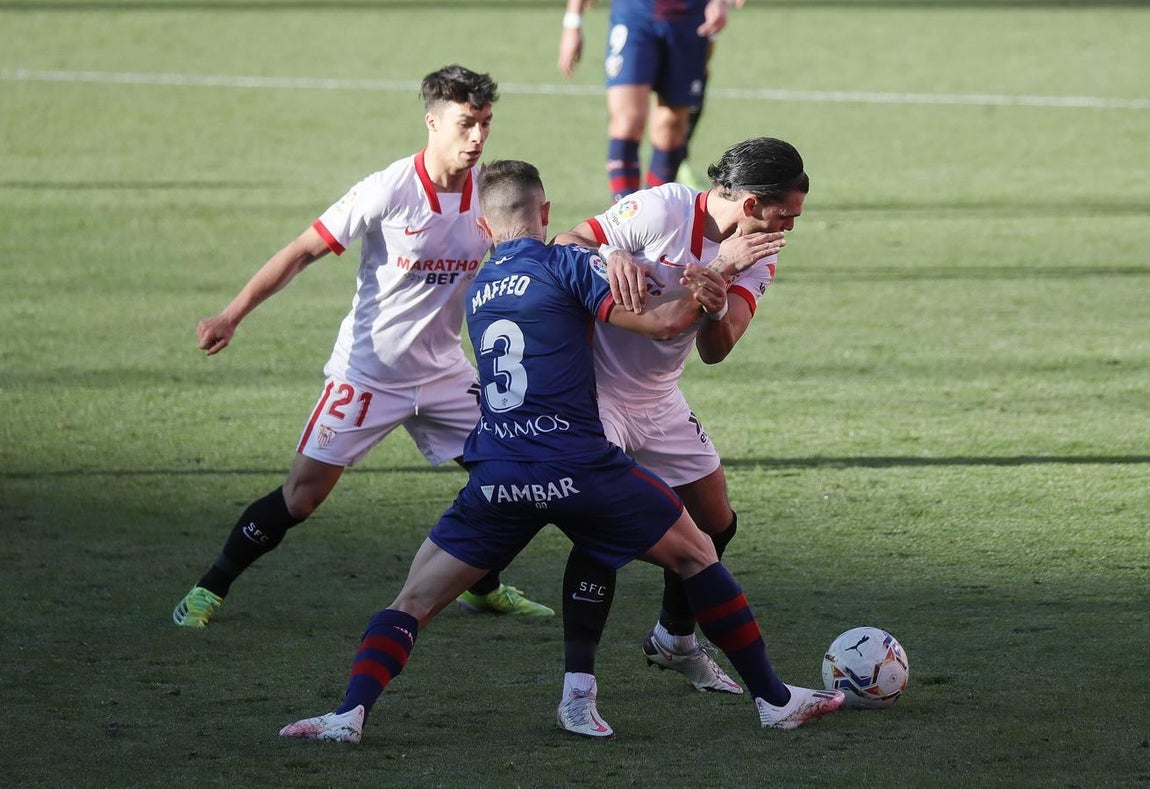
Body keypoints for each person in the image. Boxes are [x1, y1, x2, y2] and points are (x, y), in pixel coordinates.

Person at [278, 159, 843, 744]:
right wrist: (711, 269)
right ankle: (772, 699)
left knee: (414, 599)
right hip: (578, 459)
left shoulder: (477, 289)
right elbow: (669, 319)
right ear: (546, 214)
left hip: (498, 470)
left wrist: (622, 261)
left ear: (480, 224)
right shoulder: (572, 261)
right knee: (697, 554)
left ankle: (347, 715)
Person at [171, 65, 552, 629]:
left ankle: (482, 585)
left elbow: (537, 249)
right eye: (466, 124)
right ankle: (209, 588)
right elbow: (303, 249)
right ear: (432, 121)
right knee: (301, 498)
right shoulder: (388, 190)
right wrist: (232, 313)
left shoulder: (488, 196)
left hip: (446, 371)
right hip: (369, 373)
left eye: (486, 124)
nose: (478, 138)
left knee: (514, 473)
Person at [552, 137, 808, 736]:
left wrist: (718, 302)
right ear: (749, 203)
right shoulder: (664, 208)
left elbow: (718, 350)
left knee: (717, 522)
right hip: (598, 393)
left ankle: (674, 637)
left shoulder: (759, 253)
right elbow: (565, 242)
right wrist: (607, 258)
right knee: (600, 533)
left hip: (661, 398)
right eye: (785, 213)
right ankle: (577, 689)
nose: (791, 226)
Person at [557, 0, 738, 201]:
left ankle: (657, 212)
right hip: (633, 13)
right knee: (627, 121)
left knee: (670, 127)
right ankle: (623, 213)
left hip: (690, 16)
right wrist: (572, 22)